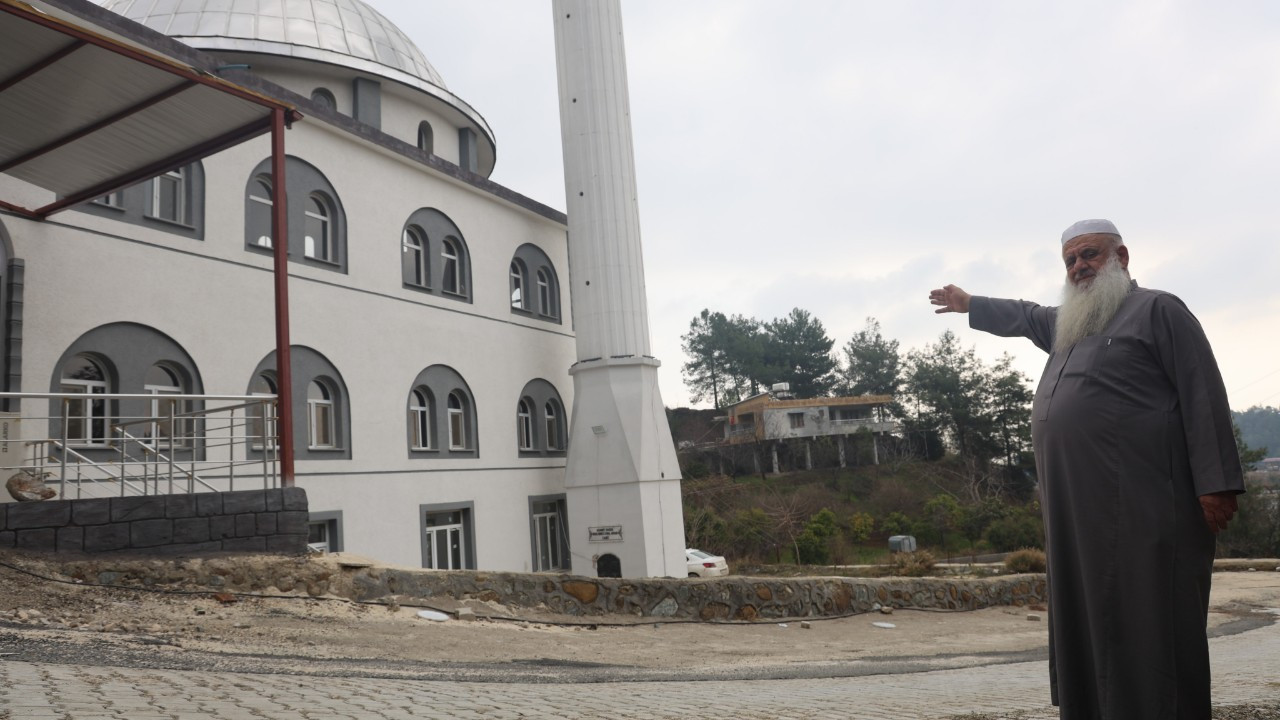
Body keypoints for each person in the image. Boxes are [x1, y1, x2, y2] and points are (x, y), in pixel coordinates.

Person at [929, 219, 1245, 720]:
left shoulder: (1157, 310)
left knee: (1150, 622)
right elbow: (1024, 314)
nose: (1079, 267)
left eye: (1089, 255)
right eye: (1071, 260)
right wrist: (971, 304)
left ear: (1121, 256)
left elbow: (1202, 391)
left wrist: (1216, 484)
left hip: (1146, 507)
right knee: (1086, 624)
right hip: (1075, 515)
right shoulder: (1069, 326)